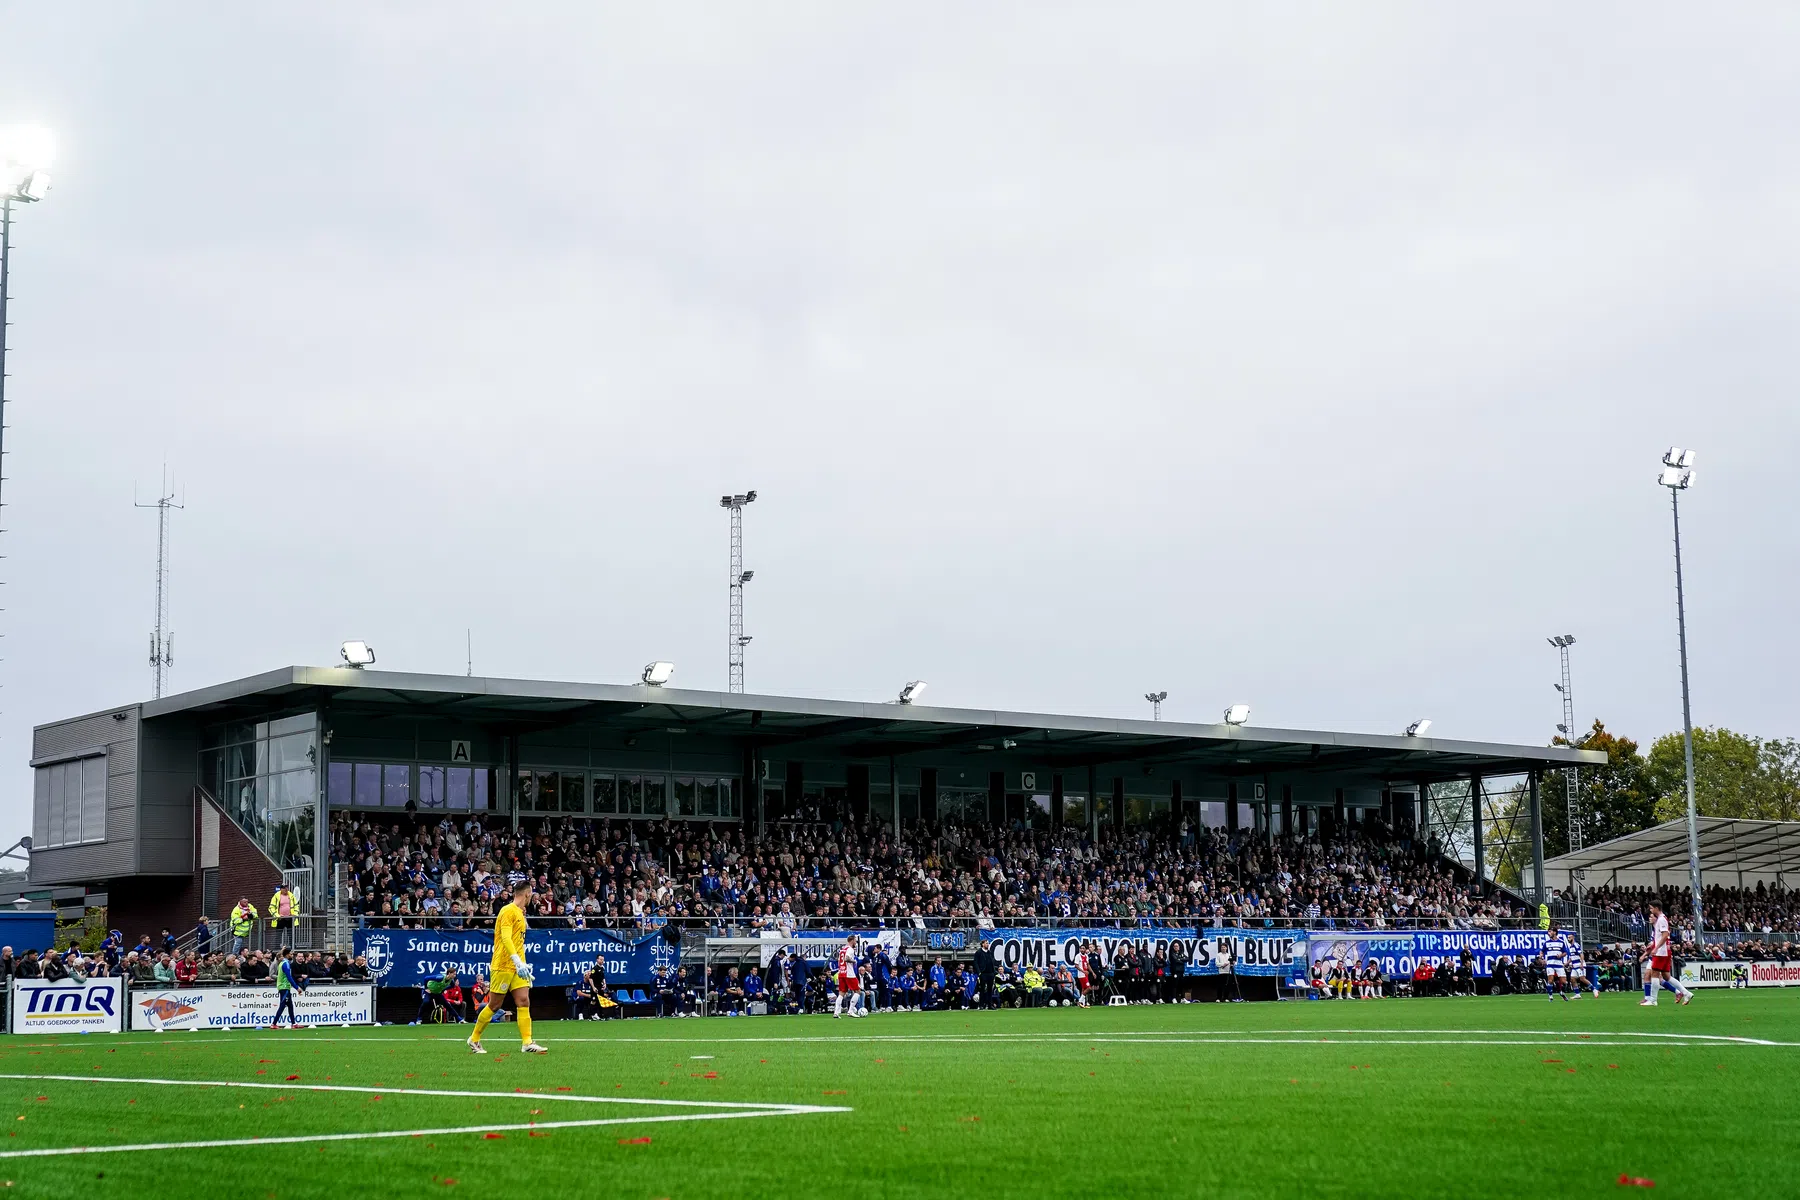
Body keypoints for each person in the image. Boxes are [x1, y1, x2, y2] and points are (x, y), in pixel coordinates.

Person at [469, 874, 547, 1053]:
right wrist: (516, 960)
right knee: (494, 1005)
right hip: (503, 964)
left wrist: (522, 964)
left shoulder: (520, 913)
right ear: (527, 894)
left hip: (518, 967)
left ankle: (527, 1043)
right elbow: (505, 937)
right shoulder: (507, 911)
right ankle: (474, 1039)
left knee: (523, 1001)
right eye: (531, 895)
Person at [1640, 901, 1693, 1007]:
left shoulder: (1661, 920)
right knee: (1666, 976)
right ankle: (1686, 993)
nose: (1650, 910)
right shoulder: (1661, 920)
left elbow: (1665, 936)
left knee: (1654, 974)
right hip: (1664, 951)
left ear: (1656, 908)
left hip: (1661, 952)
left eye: (1651, 908)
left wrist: (1656, 948)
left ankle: (1653, 1000)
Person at [271, 947, 305, 1029]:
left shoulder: (283, 963)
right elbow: (289, 977)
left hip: (285, 987)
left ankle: (294, 1023)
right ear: (287, 954)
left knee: (290, 1005)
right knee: (282, 1005)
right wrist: (297, 988)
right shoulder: (285, 964)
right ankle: (273, 1023)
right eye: (291, 954)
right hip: (284, 987)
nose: (292, 955)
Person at [833, 934, 865, 1019]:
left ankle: (836, 1012)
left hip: (841, 973)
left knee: (841, 993)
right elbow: (846, 958)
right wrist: (853, 961)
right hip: (849, 974)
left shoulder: (842, 949)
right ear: (852, 940)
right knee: (858, 991)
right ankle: (850, 1011)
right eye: (855, 941)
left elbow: (839, 960)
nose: (856, 942)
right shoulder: (850, 949)